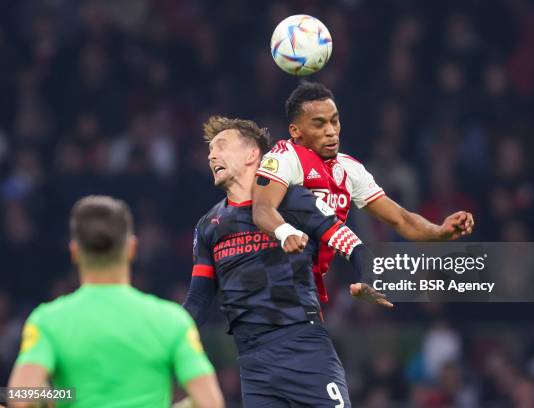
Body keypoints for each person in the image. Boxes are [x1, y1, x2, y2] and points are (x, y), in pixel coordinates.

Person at [183, 116, 391, 408]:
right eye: (209, 151)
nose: (211, 155)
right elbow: (197, 301)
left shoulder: (292, 200)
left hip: (303, 347)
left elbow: (351, 245)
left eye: (221, 146)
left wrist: (369, 276)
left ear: (252, 154)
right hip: (252, 364)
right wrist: (166, 338)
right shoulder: (209, 225)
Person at [253, 81, 476, 301]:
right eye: (319, 124)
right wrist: (284, 232)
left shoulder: (350, 169)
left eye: (334, 121)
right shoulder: (284, 157)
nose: (331, 132)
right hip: (268, 285)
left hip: (305, 289)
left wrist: (439, 231)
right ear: (296, 131)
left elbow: (401, 219)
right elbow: (262, 208)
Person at [7, 196, 224, 408]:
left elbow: (20, 396)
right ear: (131, 248)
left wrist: (55, 396)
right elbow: (210, 402)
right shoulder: (171, 320)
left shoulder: (47, 320)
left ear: (74, 251)